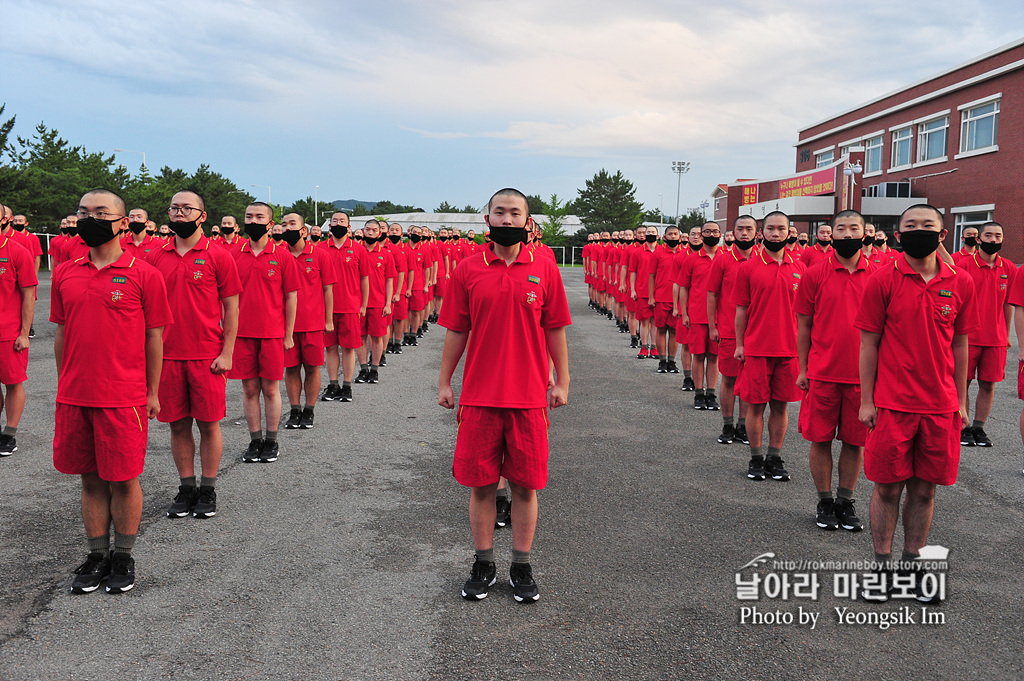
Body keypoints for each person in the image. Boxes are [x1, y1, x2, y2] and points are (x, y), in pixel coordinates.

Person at [438, 188, 570, 603]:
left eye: (516, 213)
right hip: (479, 396)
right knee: (481, 486)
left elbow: (556, 330)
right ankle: (483, 562)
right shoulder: (468, 269)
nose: (507, 219)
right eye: (500, 212)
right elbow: (457, 329)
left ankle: (521, 565)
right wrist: (445, 381)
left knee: (526, 487)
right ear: (488, 218)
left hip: (529, 397)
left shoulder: (545, 268)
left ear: (528, 222)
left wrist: (562, 380)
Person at [52, 189, 172, 594]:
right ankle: (96, 554)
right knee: (89, 480)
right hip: (75, 395)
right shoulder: (67, 271)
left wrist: (152, 392)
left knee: (122, 479)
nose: (90, 218)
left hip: (124, 397)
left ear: (123, 222)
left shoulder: (144, 274)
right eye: (84, 211)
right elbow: (62, 333)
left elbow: (155, 338)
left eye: (101, 212)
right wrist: (62, 382)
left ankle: (123, 555)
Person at [857, 204, 977, 603]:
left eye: (928, 226)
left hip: (940, 407)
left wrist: (960, 401)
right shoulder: (881, 280)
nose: (918, 231)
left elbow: (960, 346)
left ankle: (912, 567)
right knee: (887, 490)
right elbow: (869, 343)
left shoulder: (960, 283)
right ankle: (881, 568)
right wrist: (868, 400)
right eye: (911, 226)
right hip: (892, 405)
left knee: (925, 492)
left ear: (943, 235)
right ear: (897, 234)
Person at [148, 191, 241, 519]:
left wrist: (227, 352)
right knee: (177, 426)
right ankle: (186, 487)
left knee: (209, 425)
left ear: (202, 216)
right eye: (174, 208)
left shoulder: (218, 256)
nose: (180, 213)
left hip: (207, 357)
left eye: (188, 208)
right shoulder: (155, 256)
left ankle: (208, 489)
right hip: (168, 357)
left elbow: (231, 307)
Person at [795, 210, 873, 532]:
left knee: (855, 443)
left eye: (853, 228)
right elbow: (803, 324)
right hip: (823, 374)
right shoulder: (815, 273)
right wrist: (803, 368)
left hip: (862, 379)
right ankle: (824, 500)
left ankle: (845, 500)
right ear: (831, 234)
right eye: (841, 229)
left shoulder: (878, 274)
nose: (847, 234)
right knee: (821, 439)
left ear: (863, 233)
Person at [734, 211, 805, 482]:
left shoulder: (800, 268)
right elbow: (741, 310)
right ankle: (755, 457)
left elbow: (806, 317)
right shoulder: (748, 267)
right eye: (771, 229)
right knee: (755, 407)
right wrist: (740, 344)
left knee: (781, 407)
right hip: (756, 349)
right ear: (761, 233)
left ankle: (774, 456)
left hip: (789, 351)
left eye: (781, 229)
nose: (776, 234)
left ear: (789, 232)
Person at [230, 202, 300, 463]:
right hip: (241, 334)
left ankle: (271, 441)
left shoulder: (282, 256)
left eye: (259, 217)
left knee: (270, 389)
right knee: (249, 389)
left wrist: (288, 334)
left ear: (271, 224)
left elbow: (291, 298)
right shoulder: (234, 255)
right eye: (249, 216)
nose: (253, 221)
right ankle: (255, 439)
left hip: (272, 333)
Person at [959, 222, 1014, 447]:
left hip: (996, 339)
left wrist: (1006, 333)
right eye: (988, 235)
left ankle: (978, 427)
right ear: (979, 239)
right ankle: (962, 426)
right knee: (963, 382)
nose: (993, 239)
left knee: (988, 384)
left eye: (998, 236)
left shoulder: (1009, 268)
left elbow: (1009, 304)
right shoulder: (963, 266)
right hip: (968, 337)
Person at [281, 213, 335, 428]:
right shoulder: (279, 254)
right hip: (286, 325)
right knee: (291, 368)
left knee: (312, 368)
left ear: (304, 230)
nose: (287, 228)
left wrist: (328, 319)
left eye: (292, 224)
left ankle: (309, 409)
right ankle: (295, 409)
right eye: (284, 225)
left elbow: (328, 290)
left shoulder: (320, 255)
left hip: (313, 323)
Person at [707, 215, 757, 445]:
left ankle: (743, 425)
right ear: (733, 233)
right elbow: (712, 294)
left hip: (756, 334)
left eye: (749, 229)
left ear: (757, 233)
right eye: (740, 229)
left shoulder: (762, 260)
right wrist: (712, 325)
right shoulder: (722, 261)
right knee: (728, 380)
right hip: (727, 331)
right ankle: (727, 425)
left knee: (748, 382)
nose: (744, 233)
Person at [319, 212, 369, 402]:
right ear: (329, 226)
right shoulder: (321, 249)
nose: (338, 223)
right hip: (326, 309)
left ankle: (347, 386)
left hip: (350, 306)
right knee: (330, 348)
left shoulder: (358, 249)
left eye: (342, 221)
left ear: (349, 226)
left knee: (348, 348)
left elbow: (364, 279)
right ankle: (333, 384)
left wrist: (363, 304)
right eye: (334, 221)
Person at [0, 213, 37, 455]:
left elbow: (28, 295)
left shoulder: (16, 251)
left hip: (8, 332)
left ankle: (9, 434)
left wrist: (24, 333)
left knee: (12, 383)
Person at [676, 221, 722, 409]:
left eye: (715, 231)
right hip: (697, 316)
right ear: (701, 235)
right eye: (707, 232)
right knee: (698, 355)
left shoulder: (726, 258)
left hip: (720, 317)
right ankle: (699, 393)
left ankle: (711, 393)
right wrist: (684, 313)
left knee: (714, 356)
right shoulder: (691, 259)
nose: (712, 234)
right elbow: (684, 288)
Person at [355, 220, 395, 384]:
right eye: (367, 230)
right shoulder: (355, 251)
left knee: (377, 338)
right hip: (358, 303)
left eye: (374, 230)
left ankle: (374, 369)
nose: (370, 233)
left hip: (378, 303)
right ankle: (363, 369)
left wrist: (387, 303)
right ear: (363, 232)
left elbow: (389, 281)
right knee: (360, 337)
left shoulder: (386, 254)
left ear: (380, 234)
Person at [648, 226, 682, 373]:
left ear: (679, 237)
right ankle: (662, 361)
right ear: (665, 237)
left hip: (679, 300)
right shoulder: (657, 253)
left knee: (675, 331)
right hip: (661, 297)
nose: (673, 236)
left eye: (676, 234)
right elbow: (651, 276)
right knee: (661, 329)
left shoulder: (685, 253)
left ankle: (672, 361)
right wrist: (651, 296)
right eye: (670, 234)